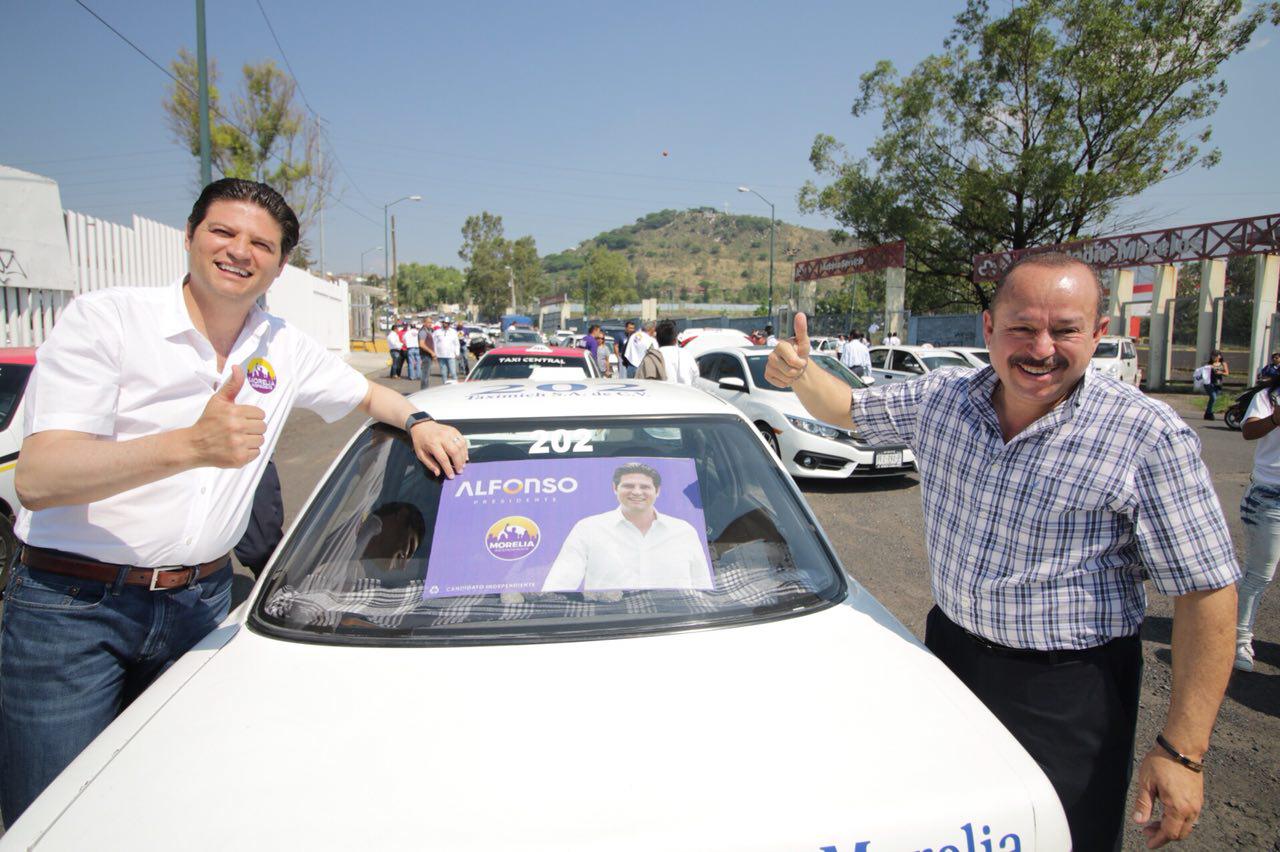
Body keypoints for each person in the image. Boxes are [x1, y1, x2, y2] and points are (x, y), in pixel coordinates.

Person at [0, 178, 470, 825]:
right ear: (190, 237)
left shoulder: (282, 344)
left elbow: (366, 398)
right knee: (52, 818)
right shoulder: (107, 320)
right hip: (73, 610)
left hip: (202, 609)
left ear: (279, 265)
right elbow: (39, 478)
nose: (239, 251)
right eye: (224, 232)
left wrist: (418, 419)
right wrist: (190, 446)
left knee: (177, 811)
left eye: (262, 243)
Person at [764, 252, 1238, 851]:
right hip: (952, 658)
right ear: (988, 327)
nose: (1041, 348)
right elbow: (848, 409)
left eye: (1065, 329)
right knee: (951, 825)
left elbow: (1207, 590)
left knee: (1060, 836)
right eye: (1022, 327)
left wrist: (1183, 752)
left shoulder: (1147, 437)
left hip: (1069, 691)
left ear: (1098, 333)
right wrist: (802, 372)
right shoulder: (942, 401)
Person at [541, 463, 712, 592]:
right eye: (628, 486)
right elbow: (558, 587)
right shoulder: (588, 528)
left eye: (645, 487)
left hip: (678, 629)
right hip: (607, 627)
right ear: (615, 488)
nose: (637, 492)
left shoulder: (683, 531)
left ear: (657, 491)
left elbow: (703, 588)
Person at [1236, 370, 1280, 673]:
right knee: (1260, 575)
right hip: (1269, 497)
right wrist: (1276, 418)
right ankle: (1239, 641)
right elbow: (1249, 431)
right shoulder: (1269, 397)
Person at [655, 319, 698, 384]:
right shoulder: (686, 354)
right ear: (675, 339)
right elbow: (695, 374)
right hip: (684, 392)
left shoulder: (653, 356)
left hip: (660, 393)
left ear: (657, 339)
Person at [1204, 351, 1228, 421]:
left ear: (1219, 356)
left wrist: (1220, 372)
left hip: (1218, 384)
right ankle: (1209, 413)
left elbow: (1227, 373)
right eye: (1212, 356)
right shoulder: (1209, 364)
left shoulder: (1223, 364)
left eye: (1215, 356)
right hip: (1209, 383)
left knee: (1213, 399)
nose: (1214, 357)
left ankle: (1207, 413)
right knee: (1213, 397)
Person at [417, 322, 435, 390]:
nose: (430, 324)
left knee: (426, 375)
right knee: (425, 375)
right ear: (424, 323)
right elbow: (421, 344)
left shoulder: (428, 331)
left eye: (431, 322)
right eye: (428, 322)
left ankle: (425, 390)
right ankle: (424, 391)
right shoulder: (423, 332)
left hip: (428, 355)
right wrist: (431, 352)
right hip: (425, 355)